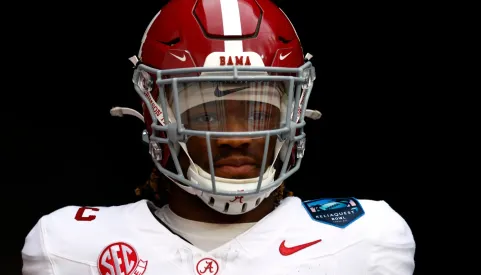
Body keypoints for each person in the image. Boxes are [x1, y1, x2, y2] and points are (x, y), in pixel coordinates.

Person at [21, 0, 415, 274]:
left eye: (260, 111)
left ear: (296, 111)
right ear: (156, 112)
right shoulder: (70, 246)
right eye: (206, 113)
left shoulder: (365, 240)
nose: (235, 137)